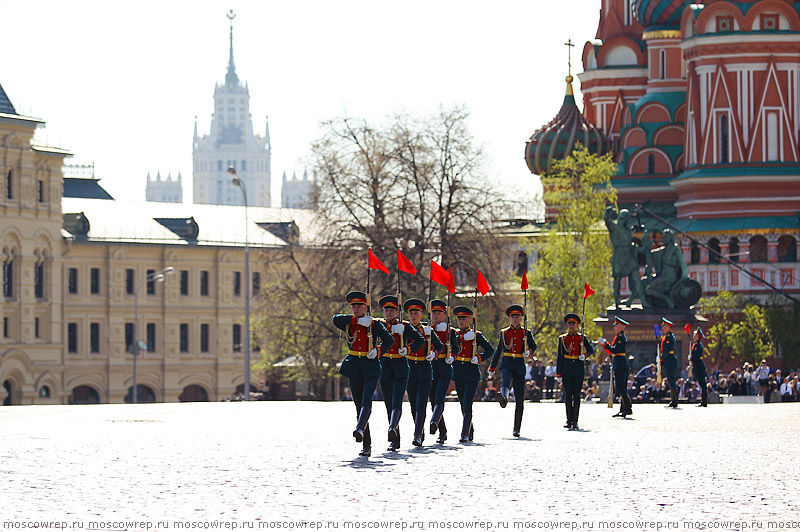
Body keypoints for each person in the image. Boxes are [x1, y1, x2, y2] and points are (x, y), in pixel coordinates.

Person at [333, 291, 395, 457]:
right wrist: (357, 320)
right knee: (358, 404)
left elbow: (389, 340)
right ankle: (366, 445)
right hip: (354, 366)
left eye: (359, 305)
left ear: (365, 307)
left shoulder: (374, 324)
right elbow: (335, 318)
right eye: (353, 306)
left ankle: (360, 429)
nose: (356, 308)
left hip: (370, 366)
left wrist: (378, 350)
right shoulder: (350, 322)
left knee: (367, 399)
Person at [376, 295, 425, 451]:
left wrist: (408, 349)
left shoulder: (404, 325)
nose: (389, 313)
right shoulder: (379, 324)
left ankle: (392, 428)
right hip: (384, 367)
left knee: (397, 401)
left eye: (392, 310)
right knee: (388, 403)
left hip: (400, 367)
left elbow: (420, 340)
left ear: (397, 312)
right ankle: (395, 439)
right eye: (386, 310)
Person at [488, 304, 537, 437]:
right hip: (507, 362)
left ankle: (517, 428)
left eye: (517, 316)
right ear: (509, 318)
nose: (515, 319)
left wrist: (529, 351)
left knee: (519, 398)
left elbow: (534, 345)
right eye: (512, 317)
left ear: (521, 318)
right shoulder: (504, 333)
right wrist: (492, 367)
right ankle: (503, 396)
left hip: (519, 364)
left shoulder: (526, 333)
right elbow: (499, 350)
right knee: (505, 379)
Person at [403, 298, 444, 447]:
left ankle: (417, 434)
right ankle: (420, 431)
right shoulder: (404, 330)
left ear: (421, 315)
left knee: (421, 403)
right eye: (411, 313)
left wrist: (434, 354)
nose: (413, 316)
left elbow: (440, 346)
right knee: (413, 404)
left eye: (416, 313)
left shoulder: (427, 331)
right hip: (409, 369)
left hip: (424, 369)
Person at [452, 305, 495, 442]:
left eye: (464, 318)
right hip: (458, 371)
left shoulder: (476, 335)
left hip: (471, 372)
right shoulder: (454, 334)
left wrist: (479, 358)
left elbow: (490, 349)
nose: (461, 321)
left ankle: (464, 433)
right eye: (459, 319)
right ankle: (469, 428)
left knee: (467, 403)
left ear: (469, 319)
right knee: (461, 403)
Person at [428, 299, 459, 444]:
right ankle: (442, 430)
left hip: (445, 366)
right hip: (430, 367)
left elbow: (456, 347)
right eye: (433, 312)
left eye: (439, 313)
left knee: (440, 397)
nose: (435, 315)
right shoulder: (427, 329)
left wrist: (452, 356)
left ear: (443, 314)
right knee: (433, 400)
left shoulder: (450, 331)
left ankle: (434, 421)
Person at [556, 313, 594, 430]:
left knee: (576, 396)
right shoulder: (562, 339)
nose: (572, 326)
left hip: (578, 368)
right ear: (567, 325)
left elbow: (591, 349)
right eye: (570, 323)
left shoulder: (582, 338)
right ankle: (569, 420)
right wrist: (559, 373)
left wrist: (585, 355)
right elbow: (560, 356)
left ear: (577, 325)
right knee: (568, 396)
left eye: (574, 324)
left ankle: (575, 421)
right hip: (567, 369)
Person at [598, 316, 632, 418]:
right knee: (622, 388)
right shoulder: (619, 337)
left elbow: (615, 350)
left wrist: (605, 344)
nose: (614, 328)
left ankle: (628, 408)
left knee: (621, 388)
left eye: (616, 325)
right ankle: (623, 409)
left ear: (621, 326)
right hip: (619, 363)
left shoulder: (621, 337)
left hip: (621, 364)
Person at [659, 317, 679, 408]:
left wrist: (661, 358)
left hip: (669, 360)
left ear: (668, 327)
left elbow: (667, 351)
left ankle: (674, 400)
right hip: (668, 360)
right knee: (671, 380)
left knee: (672, 380)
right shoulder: (666, 336)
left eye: (664, 326)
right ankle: (673, 400)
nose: (662, 327)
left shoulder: (669, 337)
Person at [689, 327, 708, 407]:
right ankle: (703, 401)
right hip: (697, 366)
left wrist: (691, 358)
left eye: (695, 334)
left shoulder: (698, 345)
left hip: (699, 366)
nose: (693, 335)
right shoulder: (696, 345)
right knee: (701, 384)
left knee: (703, 384)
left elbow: (696, 357)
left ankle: (704, 401)